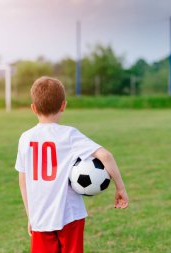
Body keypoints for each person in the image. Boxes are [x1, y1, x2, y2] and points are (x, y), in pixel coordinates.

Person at [15, 76, 129, 253]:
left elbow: (23, 181)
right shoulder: (68, 135)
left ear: (33, 108)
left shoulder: (25, 138)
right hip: (70, 215)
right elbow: (106, 155)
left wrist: (31, 215)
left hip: (40, 218)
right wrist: (120, 188)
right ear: (63, 105)